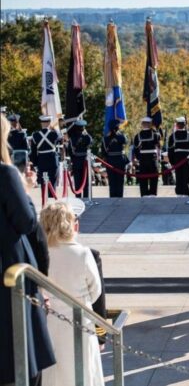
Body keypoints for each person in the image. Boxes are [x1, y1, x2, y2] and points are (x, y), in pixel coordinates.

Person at [1, 114, 56, 386]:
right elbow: (26, 221)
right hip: (10, 268)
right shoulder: (5, 173)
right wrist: (26, 190)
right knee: (22, 353)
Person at [39, 201, 104, 386]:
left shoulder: (41, 253)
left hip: (50, 320)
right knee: (84, 371)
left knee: (54, 374)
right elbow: (95, 290)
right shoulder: (82, 253)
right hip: (81, 319)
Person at [167, 116, 189, 197]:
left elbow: (170, 151)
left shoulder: (172, 136)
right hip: (187, 160)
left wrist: (172, 162)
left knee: (179, 176)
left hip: (177, 160)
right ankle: (187, 193)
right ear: (185, 124)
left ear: (177, 125)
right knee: (187, 177)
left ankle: (179, 193)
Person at [30, 115, 62, 189]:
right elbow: (61, 141)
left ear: (41, 123)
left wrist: (35, 164)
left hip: (41, 160)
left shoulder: (35, 135)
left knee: (43, 183)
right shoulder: (55, 134)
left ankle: (45, 199)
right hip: (52, 160)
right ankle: (52, 198)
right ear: (49, 122)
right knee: (52, 182)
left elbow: (33, 152)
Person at [132, 117, 161, 196]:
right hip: (153, 158)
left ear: (142, 124)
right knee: (153, 177)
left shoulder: (137, 136)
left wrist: (139, 158)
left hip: (143, 159)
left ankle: (144, 194)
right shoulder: (155, 134)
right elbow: (158, 144)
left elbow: (136, 149)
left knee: (143, 177)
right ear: (150, 124)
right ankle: (152, 193)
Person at [65, 119, 93, 199]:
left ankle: (78, 199)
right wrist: (86, 133)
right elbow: (91, 142)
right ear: (83, 128)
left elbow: (70, 151)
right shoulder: (87, 137)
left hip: (76, 162)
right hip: (85, 162)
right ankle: (87, 198)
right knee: (86, 182)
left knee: (78, 183)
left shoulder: (72, 138)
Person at [101, 123, 128, 198]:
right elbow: (126, 141)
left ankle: (112, 196)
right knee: (120, 180)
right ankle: (120, 196)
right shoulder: (121, 137)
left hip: (110, 160)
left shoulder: (105, 138)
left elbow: (103, 152)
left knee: (112, 181)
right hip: (120, 160)